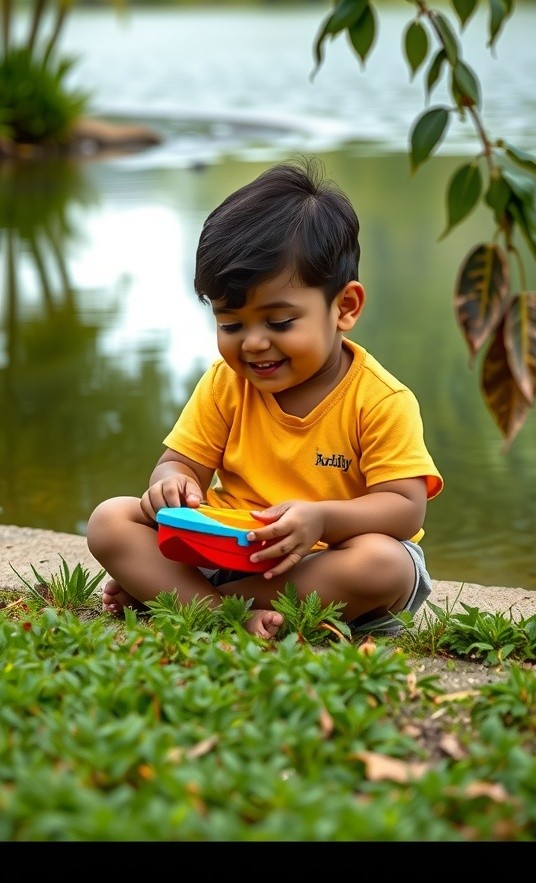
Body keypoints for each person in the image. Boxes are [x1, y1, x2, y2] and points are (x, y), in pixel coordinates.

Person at [87, 156, 443, 639]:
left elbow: (404, 508)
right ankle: (215, 607)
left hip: (326, 562)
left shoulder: (379, 399)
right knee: (110, 519)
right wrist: (171, 485)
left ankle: (185, 597)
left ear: (345, 307)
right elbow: (179, 465)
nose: (253, 343)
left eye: (279, 322)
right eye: (231, 324)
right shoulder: (225, 383)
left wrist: (321, 520)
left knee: (384, 563)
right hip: (227, 549)